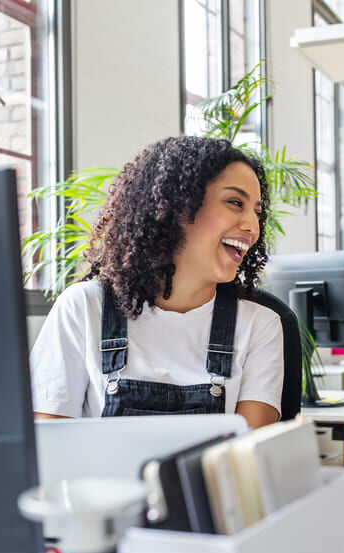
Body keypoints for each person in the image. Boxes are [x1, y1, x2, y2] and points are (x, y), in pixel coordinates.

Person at [30, 136, 283, 429]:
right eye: (235, 203)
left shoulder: (259, 326)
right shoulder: (83, 308)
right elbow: (50, 445)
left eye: (257, 212)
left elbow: (251, 452)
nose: (252, 227)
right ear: (177, 205)